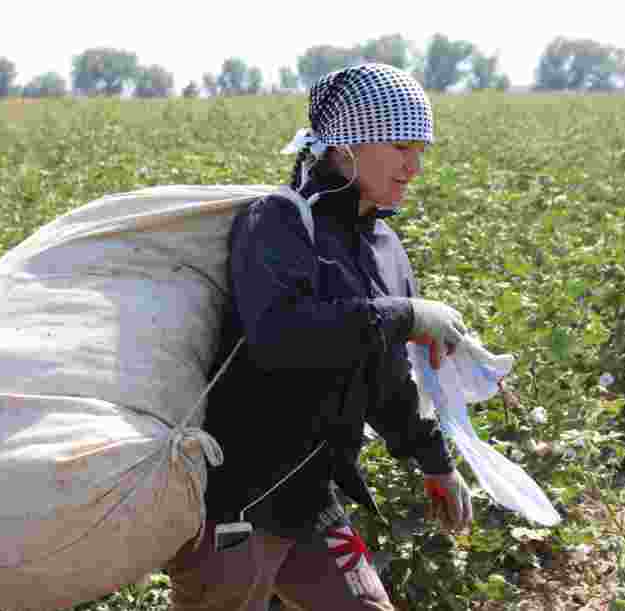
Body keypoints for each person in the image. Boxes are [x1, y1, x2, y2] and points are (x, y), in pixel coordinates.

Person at [166, 63, 476, 611]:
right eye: (402, 147)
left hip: (313, 502)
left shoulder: (384, 247)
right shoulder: (278, 223)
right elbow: (281, 337)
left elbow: (388, 377)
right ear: (349, 144)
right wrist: (402, 314)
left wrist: (435, 461)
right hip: (237, 506)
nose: (415, 167)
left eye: (421, 150)